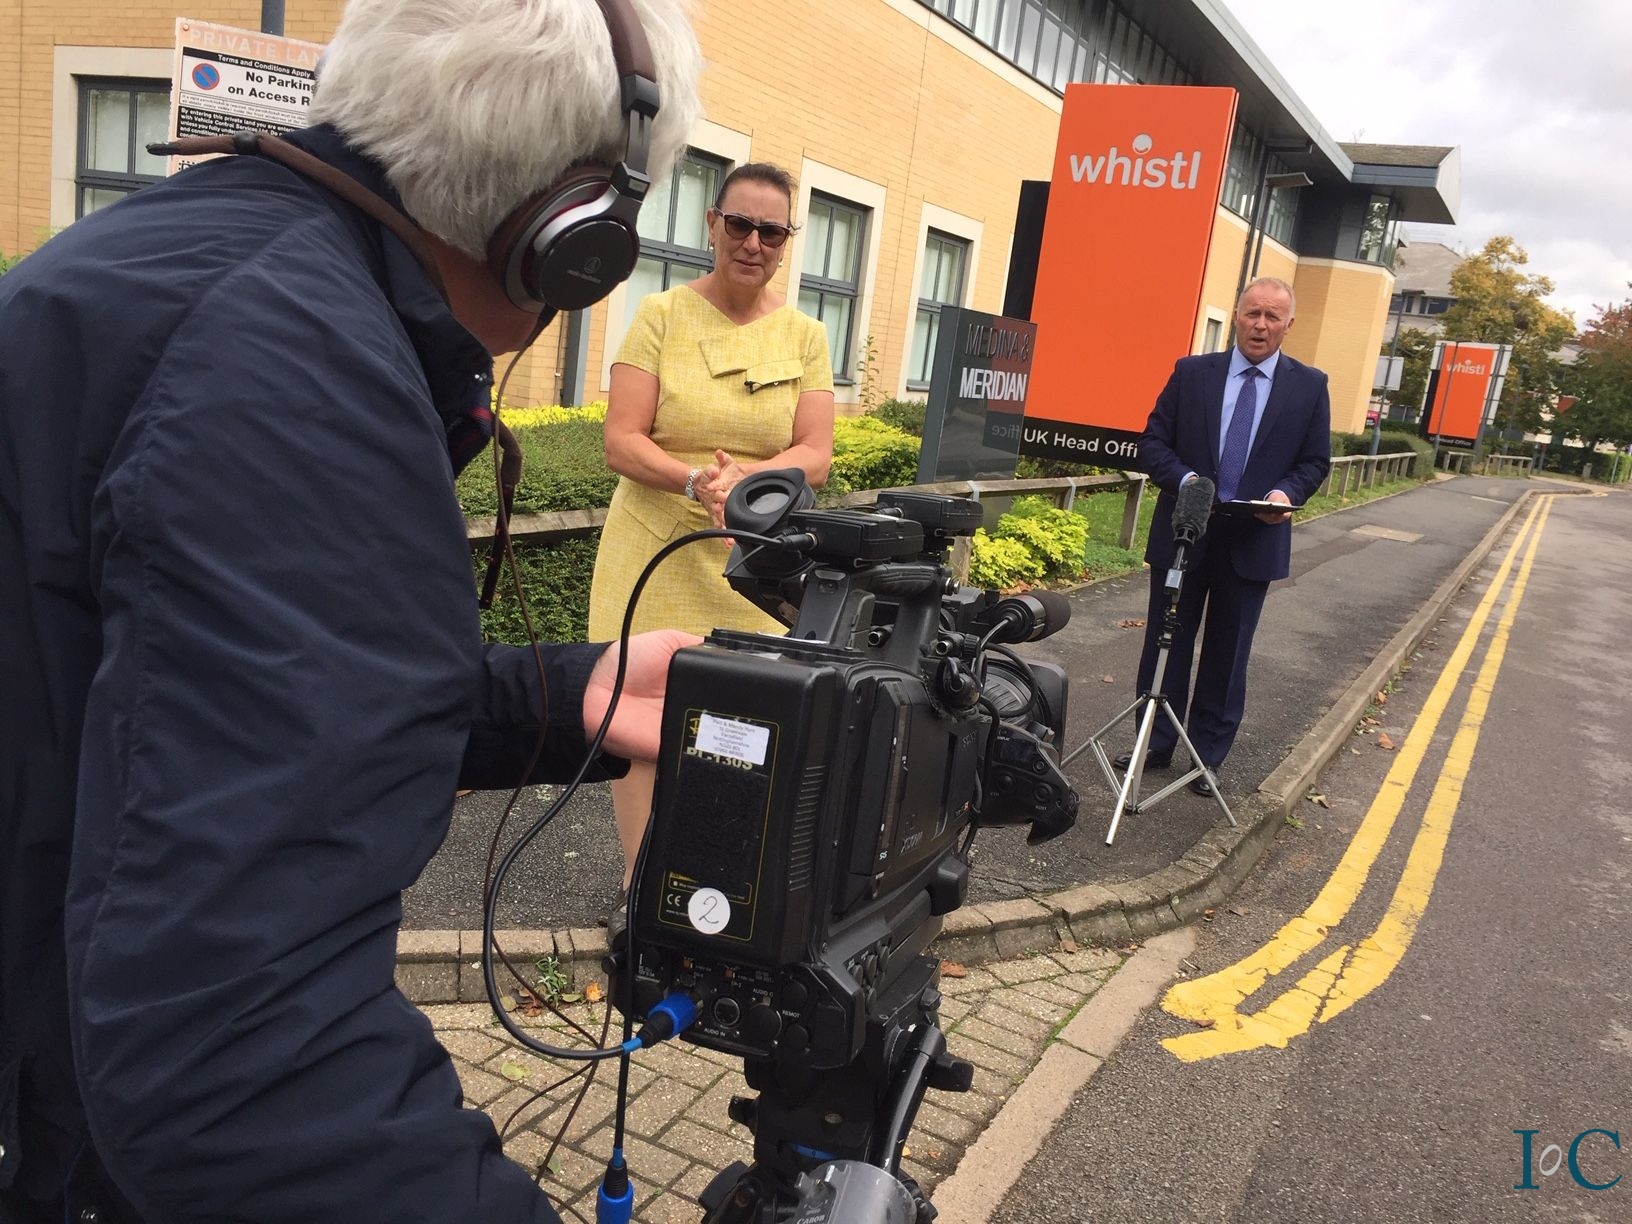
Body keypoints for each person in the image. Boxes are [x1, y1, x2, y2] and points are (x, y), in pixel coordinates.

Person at [0, 1, 704, 1221]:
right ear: (571, 234)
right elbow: (239, 1065)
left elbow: (173, 693)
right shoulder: (298, 375)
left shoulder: (188, 263)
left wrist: (544, 700)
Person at [588, 163, 836, 893]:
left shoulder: (806, 335)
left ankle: (722, 890)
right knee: (643, 721)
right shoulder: (659, 316)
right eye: (740, 224)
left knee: (746, 724)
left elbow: (816, 453)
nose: (753, 243)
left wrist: (744, 484)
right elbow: (620, 440)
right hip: (655, 549)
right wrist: (696, 480)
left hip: (754, 561)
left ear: (786, 242)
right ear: (712, 224)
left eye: (771, 231)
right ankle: (641, 889)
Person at [1120, 276, 1331, 795]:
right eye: (1252, 313)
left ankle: (1205, 756)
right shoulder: (1192, 373)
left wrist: (1285, 494)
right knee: (1166, 641)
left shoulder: (1310, 386)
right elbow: (1152, 444)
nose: (1260, 325)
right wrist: (1189, 482)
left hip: (1254, 539)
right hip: (1185, 532)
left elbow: (1314, 462)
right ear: (1236, 315)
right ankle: (1155, 742)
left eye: (1272, 317)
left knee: (1228, 652)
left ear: (1288, 325)